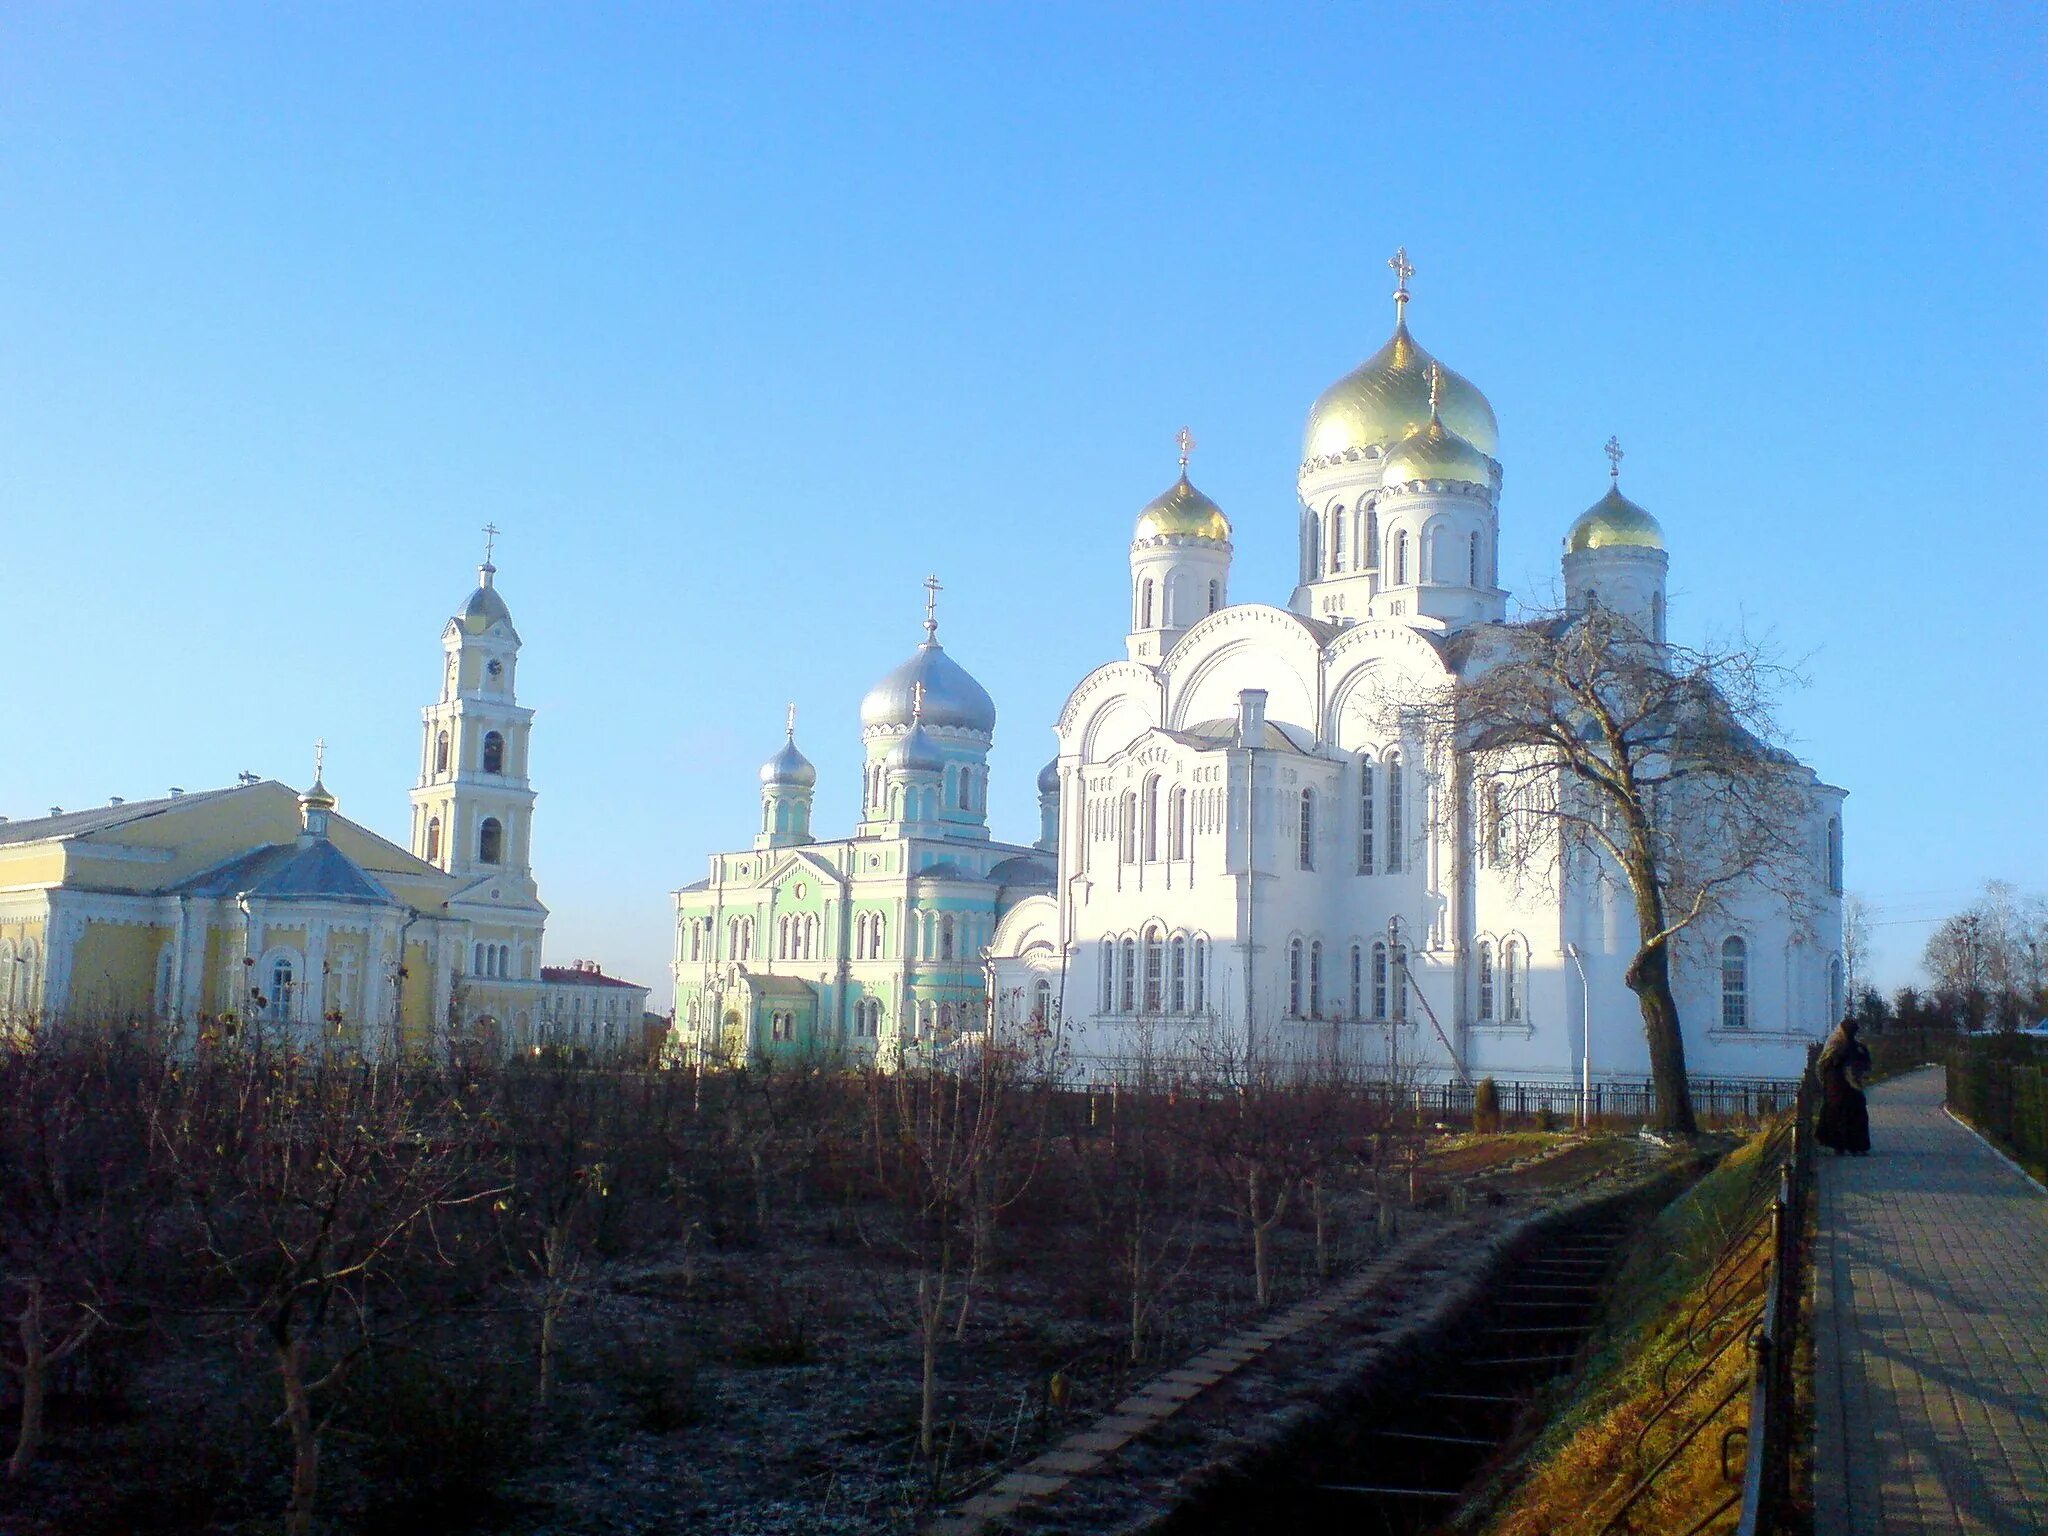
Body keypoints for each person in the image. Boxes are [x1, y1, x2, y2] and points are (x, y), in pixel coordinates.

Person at [1816, 1016, 1873, 1155]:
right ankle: (1842, 1145)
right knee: (1839, 1114)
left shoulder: (1852, 1045)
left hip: (1847, 1087)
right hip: (1836, 1086)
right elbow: (1826, 1064)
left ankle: (1855, 1145)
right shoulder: (1836, 1044)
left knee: (1854, 1113)